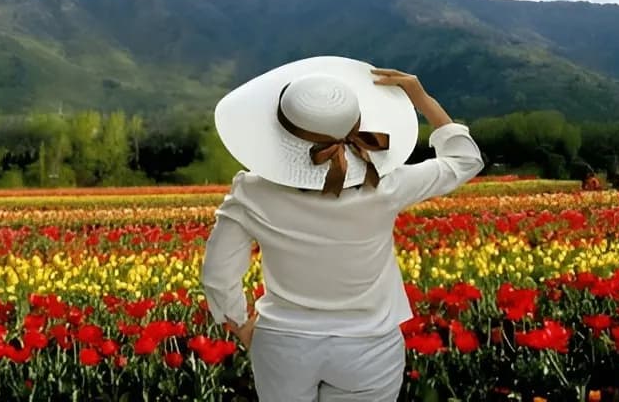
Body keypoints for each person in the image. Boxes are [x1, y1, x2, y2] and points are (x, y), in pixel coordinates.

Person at [201, 57, 484, 402]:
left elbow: (217, 273)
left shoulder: (252, 191)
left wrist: (239, 322)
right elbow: (464, 161)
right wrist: (422, 99)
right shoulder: (385, 185)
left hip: (283, 344)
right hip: (370, 346)